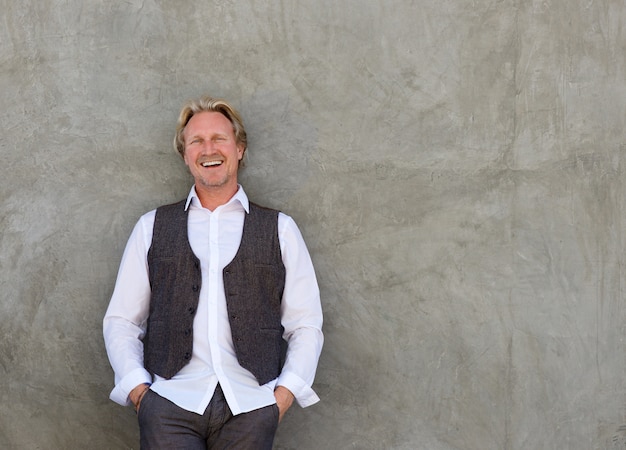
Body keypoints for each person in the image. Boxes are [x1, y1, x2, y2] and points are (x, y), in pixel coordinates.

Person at [103, 95, 324, 449]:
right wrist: (139, 392)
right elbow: (122, 320)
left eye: (219, 138)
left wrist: (281, 397)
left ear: (238, 148)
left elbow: (305, 323)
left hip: (252, 404)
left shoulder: (279, 229)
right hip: (169, 403)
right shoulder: (151, 227)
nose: (209, 149)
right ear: (185, 154)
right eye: (197, 141)